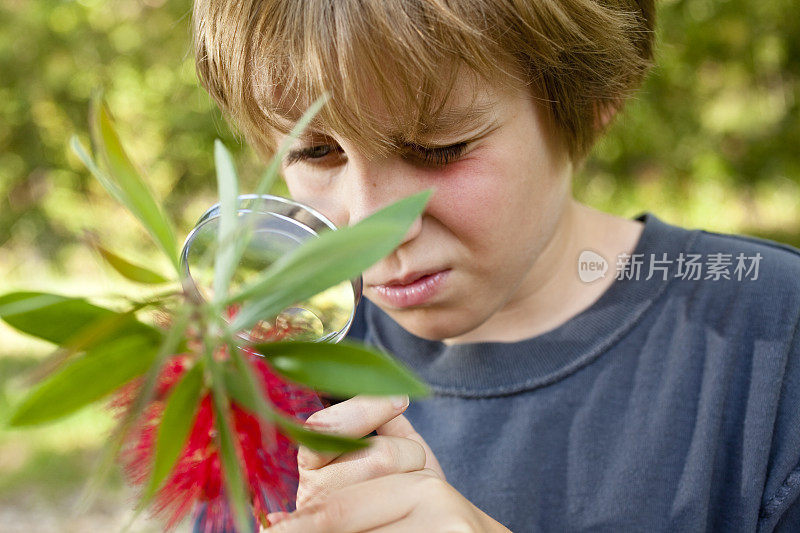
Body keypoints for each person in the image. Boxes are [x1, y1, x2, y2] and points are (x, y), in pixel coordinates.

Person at [191, 0, 800, 531]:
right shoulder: (271, 370)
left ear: (592, 102)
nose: (373, 230)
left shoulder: (771, 343)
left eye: (439, 149)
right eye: (317, 151)